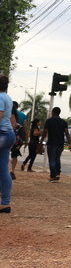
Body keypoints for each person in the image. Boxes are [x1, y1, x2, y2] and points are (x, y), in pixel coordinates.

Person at [41, 107, 71, 182]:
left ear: (53, 112)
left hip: (51, 143)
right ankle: (57, 174)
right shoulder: (63, 122)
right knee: (57, 159)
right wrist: (70, 143)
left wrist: (41, 141)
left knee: (52, 159)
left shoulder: (49, 121)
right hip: (60, 144)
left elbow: (45, 132)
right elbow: (67, 133)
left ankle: (53, 176)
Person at [0, 75, 14, 213]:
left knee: (3, 169)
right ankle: (5, 203)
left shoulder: (0, 97)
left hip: (2, 134)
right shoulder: (7, 97)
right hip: (8, 134)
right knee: (3, 170)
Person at [10, 101, 26, 179]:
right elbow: (25, 128)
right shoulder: (23, 115)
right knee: (15, 154)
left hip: (8, 135)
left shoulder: (7, 113)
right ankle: (12, 170)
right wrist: (26, 140)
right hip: (18, 138)